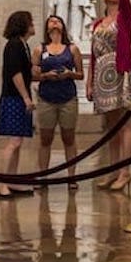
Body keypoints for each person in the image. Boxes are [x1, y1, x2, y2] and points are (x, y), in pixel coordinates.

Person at [90, 0, 131, 192]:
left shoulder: (124, 18)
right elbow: (94, 55)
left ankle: (125, 172)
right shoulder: (98, 23)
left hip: (119, 71)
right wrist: (89, 82)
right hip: (101, 74)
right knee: (111, 125)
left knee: (124, 123)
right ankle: (113, 170)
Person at [32, 14, 82, 189]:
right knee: (45, 138)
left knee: (69, 137)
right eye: (51, 21)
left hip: (67, 97)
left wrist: (69, 74)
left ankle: (71, 177)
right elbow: (34, 74)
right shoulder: (39, 49)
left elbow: (80, 74)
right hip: (46, 98)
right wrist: (46, 75)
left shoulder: (72, 49)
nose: (54, 23)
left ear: (63, 26)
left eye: (58, 21)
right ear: (47, 27)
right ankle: (43, 176)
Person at [0, 10, 35, 199]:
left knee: (18, 142)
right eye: (30, 22)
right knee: (14, 141)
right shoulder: (14, 45)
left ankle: (11, 180)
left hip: (18, 97)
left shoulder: (23, 45)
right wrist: (26, 97)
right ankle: (3, 183)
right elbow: (15, 74)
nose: (33, 25)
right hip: (14, 97)